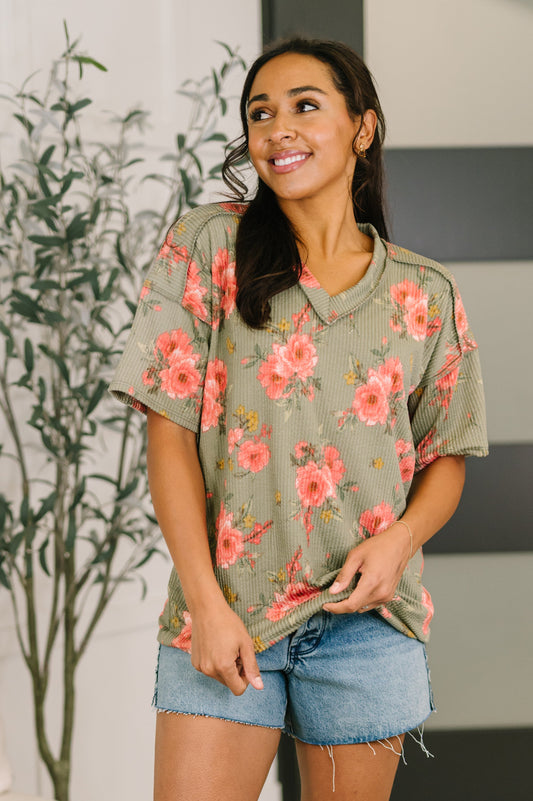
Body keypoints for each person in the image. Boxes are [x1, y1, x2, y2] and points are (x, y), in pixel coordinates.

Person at [110, 37, 488, 801]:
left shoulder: (425, 292)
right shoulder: (207, 245)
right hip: (224, 617)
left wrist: (399, 540)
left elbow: (445, 454)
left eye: (304, 106)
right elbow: (167, 432)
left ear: (363, 128)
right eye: (260, 113)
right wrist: (206, 605)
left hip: (366, 623)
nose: (277, 128)